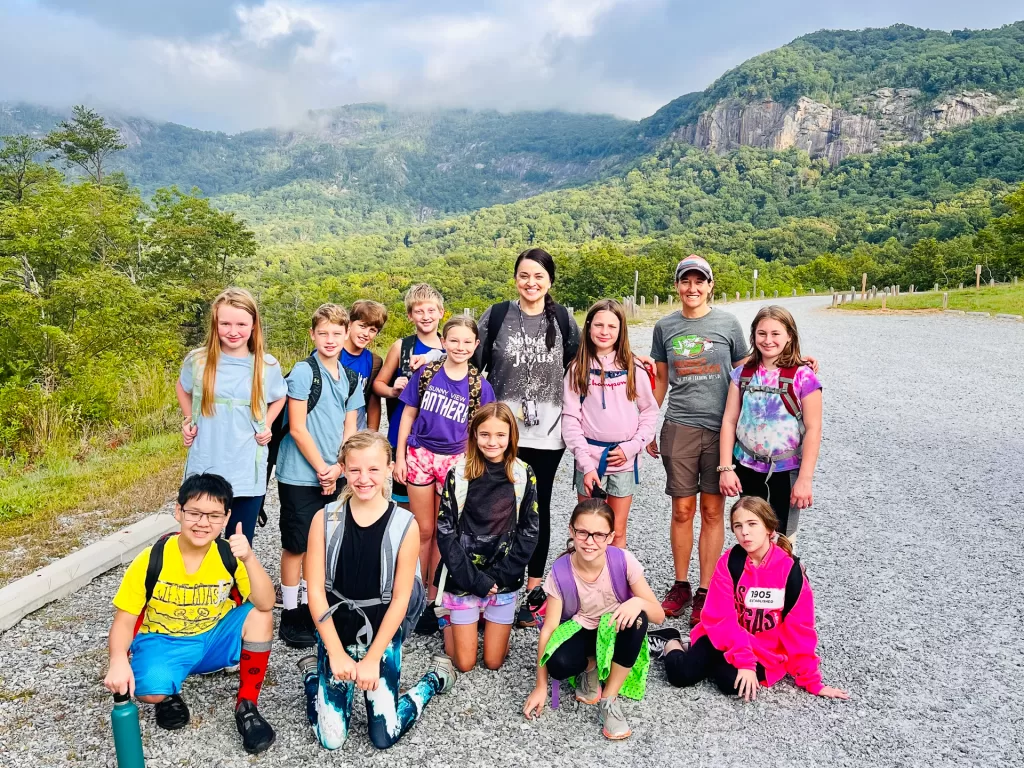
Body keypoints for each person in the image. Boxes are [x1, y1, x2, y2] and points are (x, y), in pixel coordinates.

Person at [299, 431, 457, 750]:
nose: (364, 478)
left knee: (383, 735)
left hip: (381, 638)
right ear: (342, 468)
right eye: (355, 469)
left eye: (373, 469)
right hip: (337, 633)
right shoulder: (324, 520)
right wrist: (335, 651)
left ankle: (432, 680)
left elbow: (400, 599)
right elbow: (315, 591)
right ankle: (314, 677)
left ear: (389, 468)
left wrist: (372, 659)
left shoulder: (405, 525)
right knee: (331, 739)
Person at [103, 473, 277, 755]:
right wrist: (117, 659)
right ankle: (168, 694)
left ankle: (247, 705)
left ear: (226, 517)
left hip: (213, 637)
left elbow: (267, 602)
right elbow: (124, 621)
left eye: (213, 515)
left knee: (260, 615)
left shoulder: (228, 555)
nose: (203, 523)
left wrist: (249, 558)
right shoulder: (150, 559)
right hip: (164, 641)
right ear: (178, 511)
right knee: (148, 690)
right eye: (194, 513)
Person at [649, 496, 849, 702]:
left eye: (752, 524)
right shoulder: (730, 563)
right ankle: (671, 641)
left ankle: (696, 651)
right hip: (724, 636)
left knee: (731, 683)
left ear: (769, 528)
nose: (745, 532)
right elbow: (721, 619)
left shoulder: (791, 572)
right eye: (738, 526)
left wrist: (813, 682)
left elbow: (800, 629)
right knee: (681, 675)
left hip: (765, 651)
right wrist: (745, 661)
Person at [475, 248, 581, 627]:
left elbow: (582, 364)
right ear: (515, 278)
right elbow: (472, 367)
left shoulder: (565, 320)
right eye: (524, 275)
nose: (531, 283)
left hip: (548, 435)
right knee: (497, 505)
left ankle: (533, 593)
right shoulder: (498, 315)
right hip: (502, 434)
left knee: (538, 509)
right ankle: (494, 586)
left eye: (538, 276)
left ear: (549, 279)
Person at [648, 255, 750, 627]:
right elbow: (659, 381)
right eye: (685, 281)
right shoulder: (665, 327)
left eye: (699, 282)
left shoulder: (727, 323)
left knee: (712, 510)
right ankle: (681, 585)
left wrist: (796, 361)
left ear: (710, 285)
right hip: (680, 426)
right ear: (677, 285)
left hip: (721, 429)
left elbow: (748, 368)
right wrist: (646, 426)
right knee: (681, 510)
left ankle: (706, 589)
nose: (692, 288)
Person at [522, 499, 666, 741]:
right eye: (583, 533)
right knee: (557, 663)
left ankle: (609, 698)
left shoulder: (623, 561)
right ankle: (591, 665)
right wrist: (541, 686)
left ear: (610, 537)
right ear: (572, 531)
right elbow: (549, 629)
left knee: (639, 617)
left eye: (599, 535)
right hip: (584, 627)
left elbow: (658, 615)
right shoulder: (560, 571)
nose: (590, 542)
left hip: (617, 628)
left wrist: (637, 601)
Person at [395, 315, 495, 632]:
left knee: (444, 532)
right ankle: (416, 595)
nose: (460, 347)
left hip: (455, 460)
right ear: (444, 342)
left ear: (476, 345)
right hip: (420, 454)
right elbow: (408, 413)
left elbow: (482, 431)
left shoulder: (480, 386)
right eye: (453, 340)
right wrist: (399, 457)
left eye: (467, 342)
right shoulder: (427, 373)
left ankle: (436, 598)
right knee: (422, 529)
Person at [275, 303, 364, 648]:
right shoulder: (303, 372)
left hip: (335, 472)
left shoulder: (352, 377)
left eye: (336, 334)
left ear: (346, 336)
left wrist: (339, 468)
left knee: (325, 543)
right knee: (295, 543)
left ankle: (318, 606)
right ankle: (291, 611)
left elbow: (350, 429)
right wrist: (321, 469)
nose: (330, 339)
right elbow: (297, 428)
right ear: (312, 335)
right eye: (323, 333)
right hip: (300, 474)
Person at [176, 287, 287, 545]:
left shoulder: (266, 365)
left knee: (239, 540)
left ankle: (237, 586)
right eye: (225, 323)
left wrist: (267, 424)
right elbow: (183, 387)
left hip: (247, 464)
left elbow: (279, 395)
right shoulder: (198, 361)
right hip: (206, 461)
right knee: (202, 537)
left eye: (241, 324)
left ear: (253, 325)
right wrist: (189, 418)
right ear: (215, 323)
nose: (233, 331)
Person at [435, 402, 539, 672]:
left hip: (503, 577)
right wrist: (474, 579)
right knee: (464, 663)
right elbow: (445, 532)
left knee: (493, 662)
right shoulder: (458, 473)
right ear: (474, 435)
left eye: (500, 435)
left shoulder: (523, 473)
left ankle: (487, 622)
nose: (492, 442)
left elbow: (530, 530)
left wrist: (499, 576)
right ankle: (450, 619)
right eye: (485, 435)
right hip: (464, 577)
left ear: (511, 437)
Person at [718, 306, 822, 540]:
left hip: (785, 471)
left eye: (776, 333)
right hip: (746, 468)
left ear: (789, 336)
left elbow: (813, 429)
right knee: (750, 535)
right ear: (753, 335)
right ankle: (752, 577)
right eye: (762, 333)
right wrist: (726, 468)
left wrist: (805, 479)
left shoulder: (804, 376)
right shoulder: (743, 374)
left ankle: (783, 577)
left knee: (782, 540)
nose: (768, 340)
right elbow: (729, 420)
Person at [562, 299, 659, 548]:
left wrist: (633, 446)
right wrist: (585, 460)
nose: (604, 332)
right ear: (588, 327)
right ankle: (585, 582)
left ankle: (615, 584)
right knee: (588, 529)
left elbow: (649, 411)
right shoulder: (577, 369)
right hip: (589, 458)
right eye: (598, 325)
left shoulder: (634, 368)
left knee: (616, 530)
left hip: (624, 459)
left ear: (621, 330)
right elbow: (571, 418)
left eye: (612, 326)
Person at [373, 284, 446, 509]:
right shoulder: (401, 347)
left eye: (431, 310)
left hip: (440, 438)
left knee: (439, 508)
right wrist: (393, 390)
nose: (426, 317)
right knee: (404, 506)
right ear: (410, 315)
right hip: (403, 437)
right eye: (419, 311)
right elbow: (378, 385)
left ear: (441, 312)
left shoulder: (451, 346)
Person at [342, 299, 387, 431]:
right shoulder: (332, 352)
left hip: (357, 427)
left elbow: (373, 402)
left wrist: (372, 435)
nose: (366, 334)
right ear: (349, 324)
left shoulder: (374, 362)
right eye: (362, 326)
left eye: (372, 330)